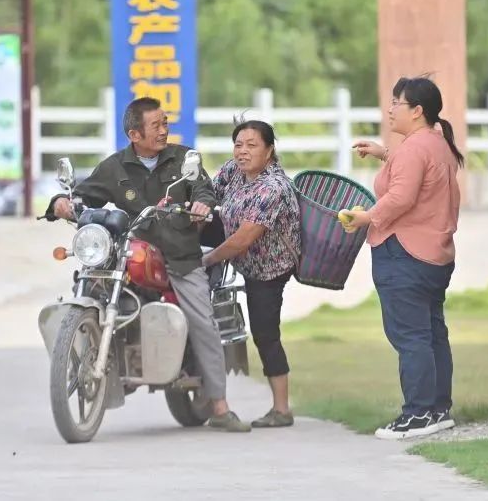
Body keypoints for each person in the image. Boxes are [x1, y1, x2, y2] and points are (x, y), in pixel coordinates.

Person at [48, 97, 251, 433]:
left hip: (179, 257)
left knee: (203, 322)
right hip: (130, 253)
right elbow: (86, 195)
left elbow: (203, 189)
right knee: (88, 281)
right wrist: (62, 203)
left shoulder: (183, 158)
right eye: (156, 125)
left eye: (165, 122)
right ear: (134, 134)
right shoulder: (115, 167)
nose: (163, 130)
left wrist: (201, 203)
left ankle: (219, 406)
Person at [341, 76, 464, 440]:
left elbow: (401, 197)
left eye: (397, 102)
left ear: (417, 111)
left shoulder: (414, 149)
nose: (391, 108)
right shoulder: (436, 144)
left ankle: (417, 415)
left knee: (410, 337)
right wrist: (384, 154)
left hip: (404, 253)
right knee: (431, 335)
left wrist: (366, 217)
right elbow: (417, 172)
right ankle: (438, 409)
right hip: (435, 256)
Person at [202, 119, 301, 428]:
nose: (242, 152)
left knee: (265, 331)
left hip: (269, 266)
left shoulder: (272, 187)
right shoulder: (234, 171)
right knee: (182, 226)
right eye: (238, 145)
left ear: (269, 151)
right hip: (237, 240)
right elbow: (208, 196)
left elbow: (244, 239)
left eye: (252, 145)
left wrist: (205, 261)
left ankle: (282, 409)